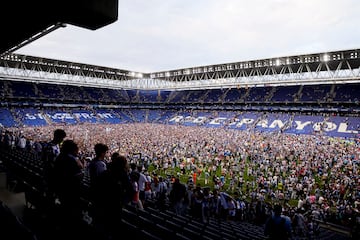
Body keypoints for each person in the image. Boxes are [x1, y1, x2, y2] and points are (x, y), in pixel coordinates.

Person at [52, 139, 84, 233]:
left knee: (65, 207)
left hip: (61, 188)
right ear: (72, 149)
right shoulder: (70, 159)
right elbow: (78, 176)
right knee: (71, 211)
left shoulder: (59, 157)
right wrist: (81, 168)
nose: (78, 150)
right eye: (76, 149)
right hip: (70, 190)